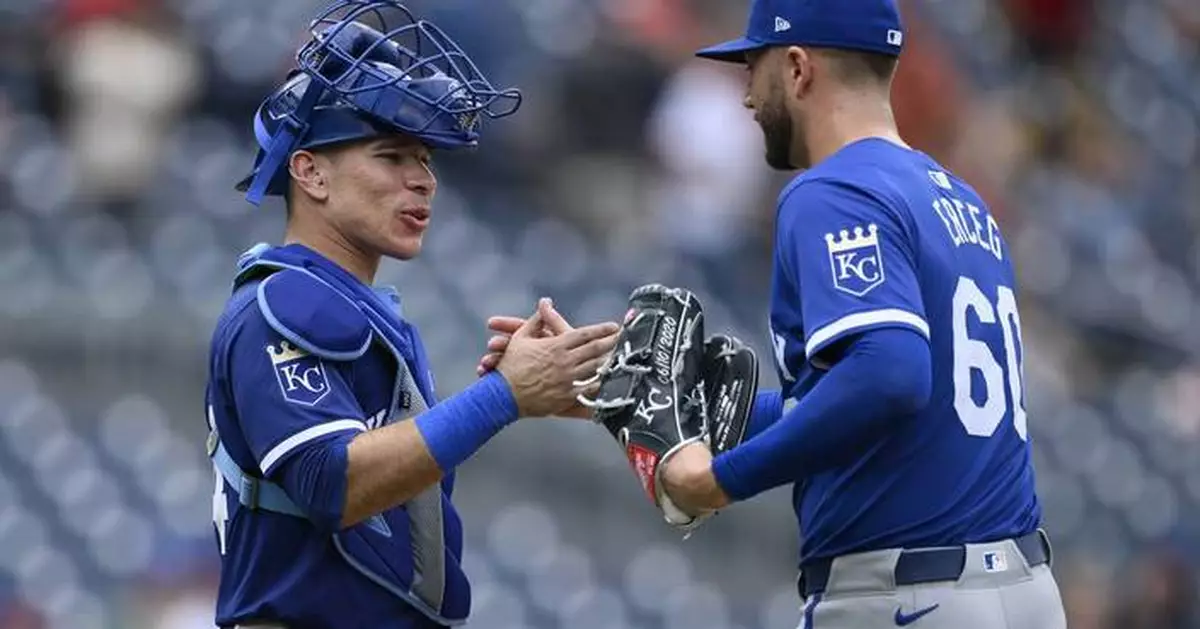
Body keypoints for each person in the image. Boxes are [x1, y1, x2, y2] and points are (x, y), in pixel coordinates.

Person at [532, 0, 1066, 626]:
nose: (746, 97)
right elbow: (865, 399)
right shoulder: (962, 201)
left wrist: (720, 479)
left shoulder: (834, 189)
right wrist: (625, 394)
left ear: (796, 67)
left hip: (906, 597)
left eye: (752, 68)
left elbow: (889, 374)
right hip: (1021, 589)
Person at [203, 3, 619, 628]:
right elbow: (331, 482)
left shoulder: (355, 308)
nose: (421, 180)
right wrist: (503, 397)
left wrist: (519, 391)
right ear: (310, 172)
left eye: (424, 159)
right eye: (391, 156)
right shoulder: (282, 304)